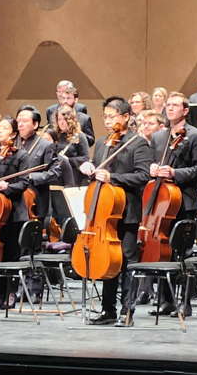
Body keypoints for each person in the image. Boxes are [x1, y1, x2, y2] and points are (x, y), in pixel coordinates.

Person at [78, 97, 153, 326]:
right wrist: (89, 169)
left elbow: (143, 175)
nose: (108, 121)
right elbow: (98, 171)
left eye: (112, 116)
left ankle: (126, 312)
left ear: (126, 117)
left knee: (127, 262)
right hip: (103, 213)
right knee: (107, 261)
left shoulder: (137, 143)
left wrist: (115, 178)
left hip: (127, 211)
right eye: (105, 117)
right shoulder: (101, 144)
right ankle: (107, 310)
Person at [148, 92, 197, 318]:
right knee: (164, 252)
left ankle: (186, 302)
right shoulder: (159, 137)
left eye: (175, 105)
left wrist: (175, 173)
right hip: (162, 202)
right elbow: (154, 163)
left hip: (184, 201)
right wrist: (153, 169)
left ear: (185, 111)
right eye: (168, 105)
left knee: (184, 253)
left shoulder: (195, 136)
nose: (170, 108)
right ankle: (166, 300)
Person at [0, 117, 34, 308]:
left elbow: (24, 183)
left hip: (13, 212)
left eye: (4, 128)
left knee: (10, 254)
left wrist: (7, 186)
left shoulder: (21, 156)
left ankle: (11, 294)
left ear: (13, 134)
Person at [49, 105, 90, 188]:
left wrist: (68, 160)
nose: (62, 122)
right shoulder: (56, 136)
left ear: (71, 120)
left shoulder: (79, 136)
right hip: (58, 175)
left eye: (65, 119)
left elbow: (85, 157)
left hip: (74, 176)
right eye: (59, 119)